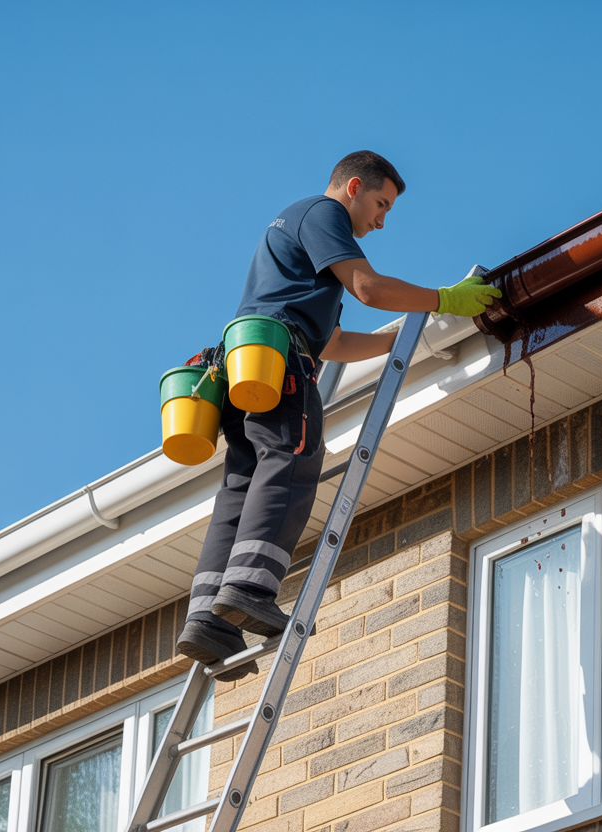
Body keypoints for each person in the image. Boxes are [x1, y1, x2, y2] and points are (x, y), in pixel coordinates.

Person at [176, 150, 500, 679]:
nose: (381, 218)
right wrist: (445, 299)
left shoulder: (297, 245)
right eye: (380, 203)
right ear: (352, 188)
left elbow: (332, 343)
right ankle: (250, 587)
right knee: (294, 456)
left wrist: (398, 339)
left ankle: (208, 619)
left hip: (245, 368)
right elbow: (369, 289)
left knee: (242, 482)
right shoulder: (322, 216)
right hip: (280, 364)